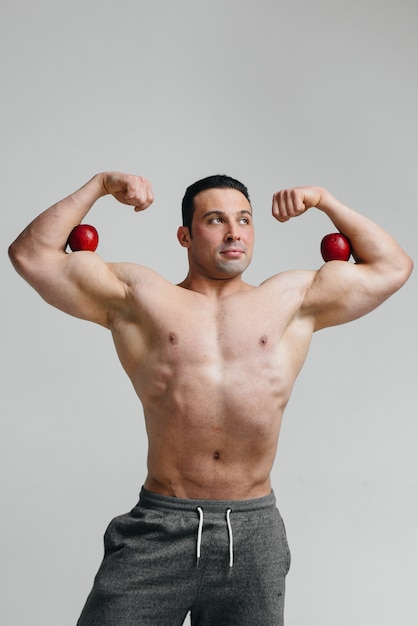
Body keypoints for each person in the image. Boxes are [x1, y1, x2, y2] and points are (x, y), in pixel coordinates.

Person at [9, 171, 413, 625]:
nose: (234, 231)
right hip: (161, 527)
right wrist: (99, 186)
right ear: (185, 234)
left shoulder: (290, 300)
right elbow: (32, 255)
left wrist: (325, 200)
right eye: (216, 220)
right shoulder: (141, 297)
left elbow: (392, 266)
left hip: (254, 533)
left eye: (244, 219)